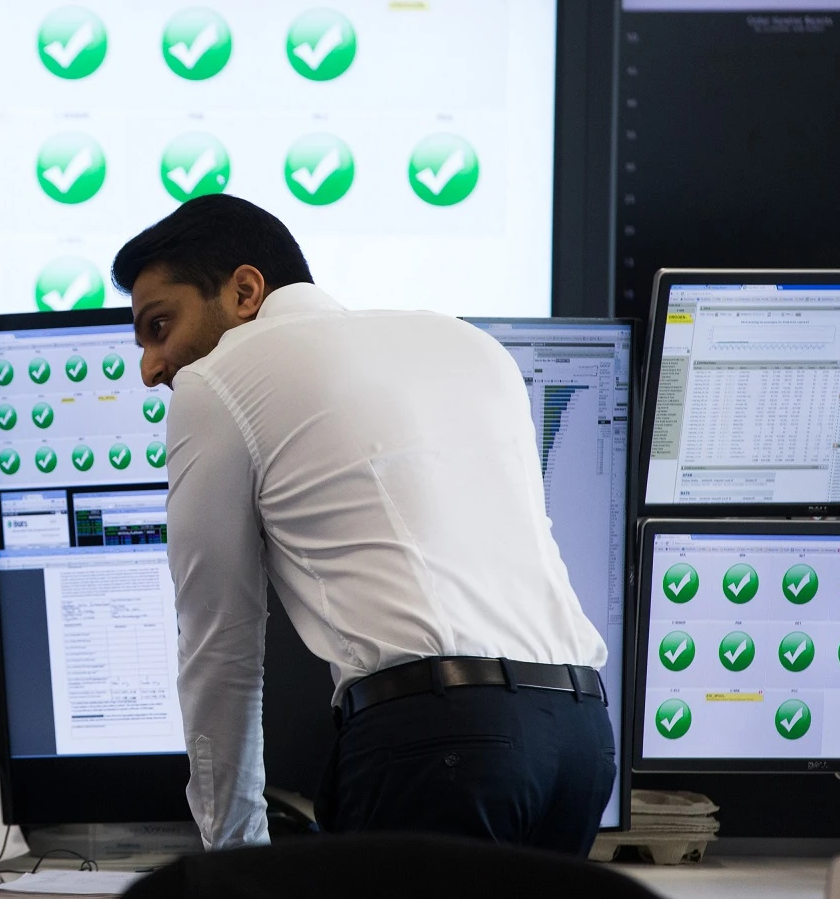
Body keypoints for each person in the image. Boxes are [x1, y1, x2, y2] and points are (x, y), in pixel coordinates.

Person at [112, 196, 613, 856]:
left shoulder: (219, 381)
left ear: (244, 290)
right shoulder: (469, 344)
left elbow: (219, 645)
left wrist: (234, 858)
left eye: (159, 325)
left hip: (438, 744)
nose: (150, 367)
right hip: (579, 738)